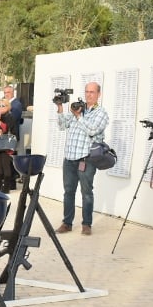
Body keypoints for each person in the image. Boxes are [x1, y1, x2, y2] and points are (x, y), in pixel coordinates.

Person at [55, 82, 110, 235]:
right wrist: (60, 108)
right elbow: (61, 125)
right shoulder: (78, 109)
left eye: (92, 92)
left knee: (86, 192)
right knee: (68, 192)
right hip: (69, 158)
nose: (88, 95)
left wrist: (79, 116)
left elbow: (92, 130)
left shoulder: (101, 113)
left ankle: (87, 224)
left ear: (98, 94)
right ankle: (67, 223)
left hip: (86, 159)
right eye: (87, 91)